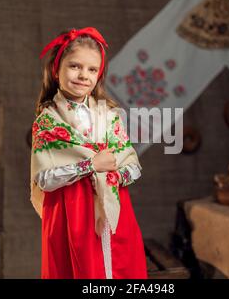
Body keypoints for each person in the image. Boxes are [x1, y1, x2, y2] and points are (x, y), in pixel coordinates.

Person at [30, 27, 147, 279]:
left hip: (114, 210)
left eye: (92, 69)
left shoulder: (109, 116)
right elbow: (44, 179)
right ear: (56, 69)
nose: (83, 75)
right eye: (75, 66)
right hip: (70, 213)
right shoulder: (48, 121)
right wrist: (90, 165)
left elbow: (133, 165)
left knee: (118, 270)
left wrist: (115, 171)